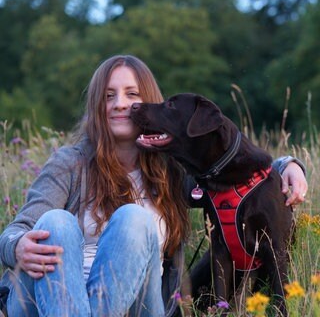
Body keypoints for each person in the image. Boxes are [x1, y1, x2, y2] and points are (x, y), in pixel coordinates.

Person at [0, 55, 307, 317]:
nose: (120, 104)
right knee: (55, 221)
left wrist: (287, 164)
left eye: (131, 94)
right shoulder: (69, 164)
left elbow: (229, 166)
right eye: (109, 96)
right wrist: (17, 246)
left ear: (148, 103)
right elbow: (16, 230)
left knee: (133, 219)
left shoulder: (173, 171)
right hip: (52, 300)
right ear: (96, 105)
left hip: (137, 304)